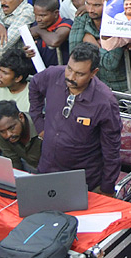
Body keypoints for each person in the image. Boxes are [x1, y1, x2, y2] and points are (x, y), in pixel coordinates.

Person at [29, 42, 122, 194]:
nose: (71, 77)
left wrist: (107, 188)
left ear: (94, 73)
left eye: (80, 74)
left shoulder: (105, 102)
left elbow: (111, 149)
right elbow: (34, 85)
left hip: (82, 181)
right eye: (69, 69)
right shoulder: (53, 75)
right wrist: (39, 123)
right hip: (46, 170)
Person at [0, 99, 43, 171]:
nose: (8, 135)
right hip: (28, 168)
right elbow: (13, 161)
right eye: (2, 131)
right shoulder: (1, 129)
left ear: (21, 117)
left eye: (11, 128)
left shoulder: (41, 127)